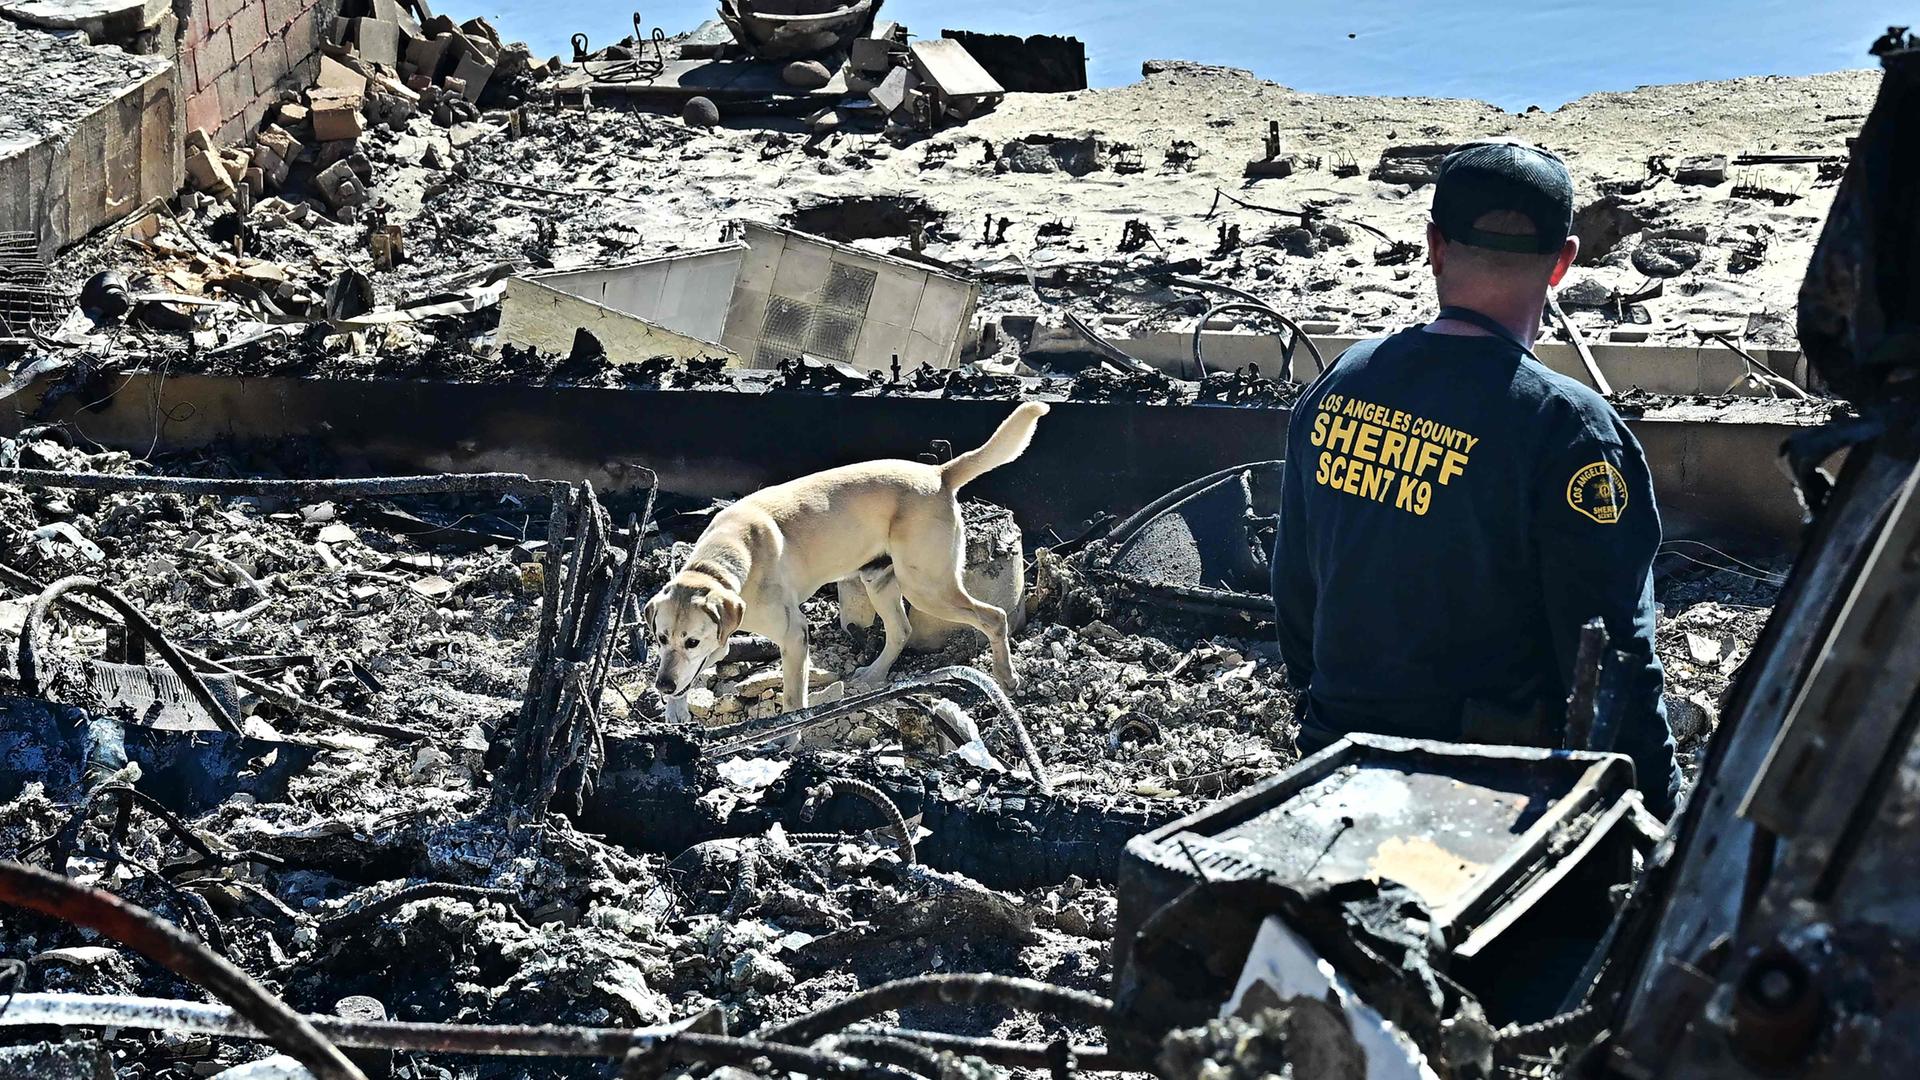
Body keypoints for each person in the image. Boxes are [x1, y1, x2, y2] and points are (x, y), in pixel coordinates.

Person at [1270, 139, 1680, 817]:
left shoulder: (1341, 384)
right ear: (1563, 264)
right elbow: (1616, 662)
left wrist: (1327, 724)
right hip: (1485, 802)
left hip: (1336, 775)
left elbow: (1296, 598)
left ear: (1433, 244)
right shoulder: (1569, 429)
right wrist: (1663, 824)